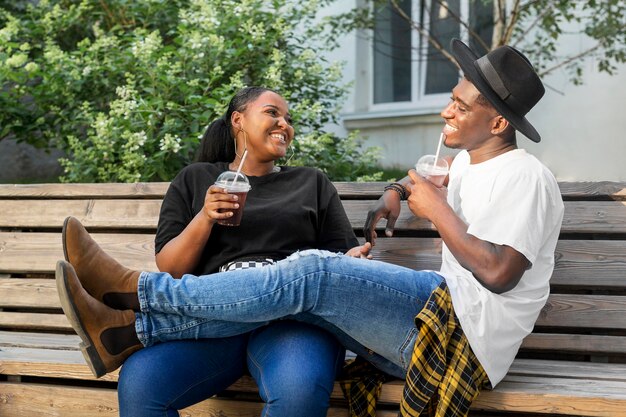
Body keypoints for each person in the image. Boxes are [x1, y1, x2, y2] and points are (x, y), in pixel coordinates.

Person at [56, 39, 564, 416]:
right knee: (308, 278)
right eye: (451, 98)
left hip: (458, 331)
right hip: (430, 316)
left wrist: (435, 211)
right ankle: (127, 326)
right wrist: (399, 192)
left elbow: (500, 272)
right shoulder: (476, 165)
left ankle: (135, 297)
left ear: (498, 123)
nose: (445, 110)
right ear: (237, 121)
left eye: (460, 104)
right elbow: (429, 182)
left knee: (312, 273)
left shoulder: (527, 176)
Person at [61, 86, 373, 417]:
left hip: (291, 325)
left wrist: (354, 260)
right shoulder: (196, 180)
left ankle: (129, 303)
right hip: (212, 323)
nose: (284, 124)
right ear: (238, 119)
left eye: (288, 118)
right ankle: (129, 304)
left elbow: (341, 264)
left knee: (299, 390)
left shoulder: (311, 183)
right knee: (141, 384)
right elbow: (172, 268)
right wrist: (205, 217)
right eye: (272, 113)